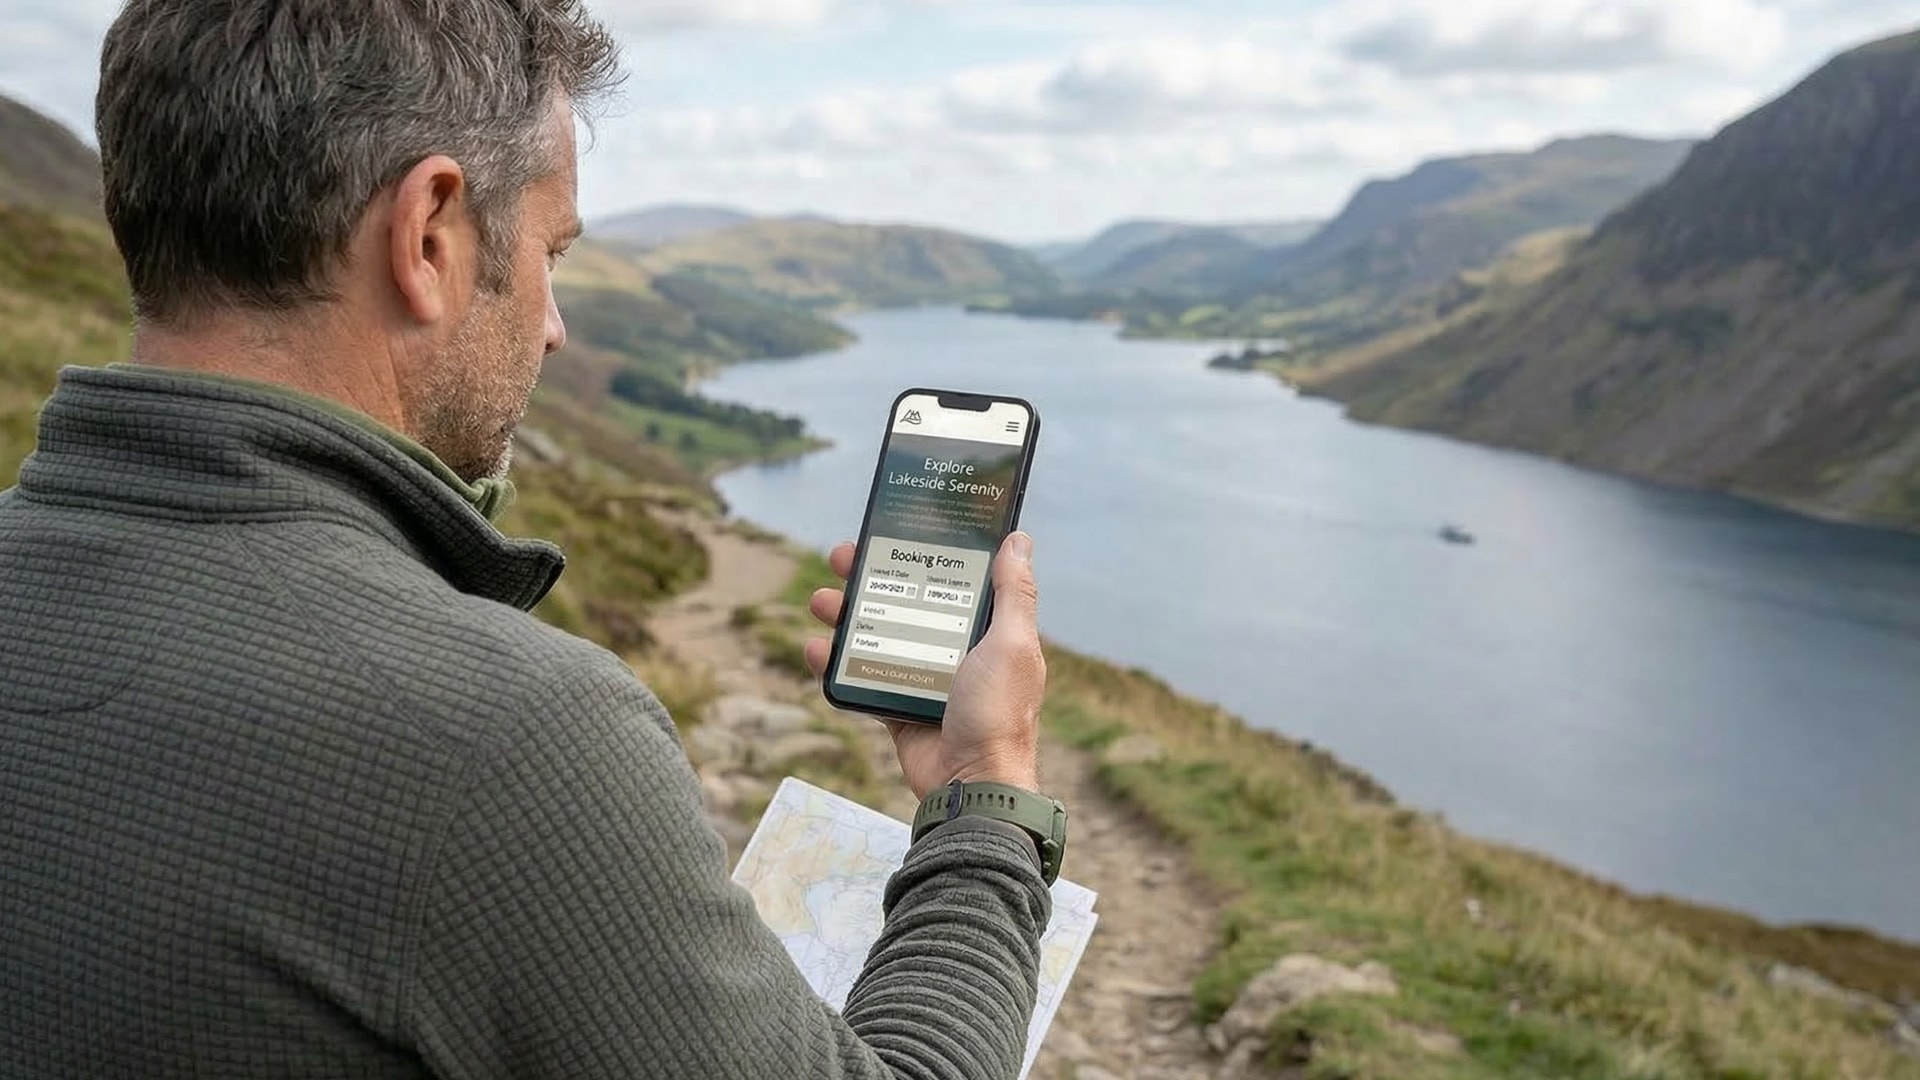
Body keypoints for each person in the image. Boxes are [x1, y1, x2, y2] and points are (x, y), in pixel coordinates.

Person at [0, 1, 1063, 1077]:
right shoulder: (505, 739)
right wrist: (984, 792)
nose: (554, 323)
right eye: (551, 250)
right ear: (428, 236)